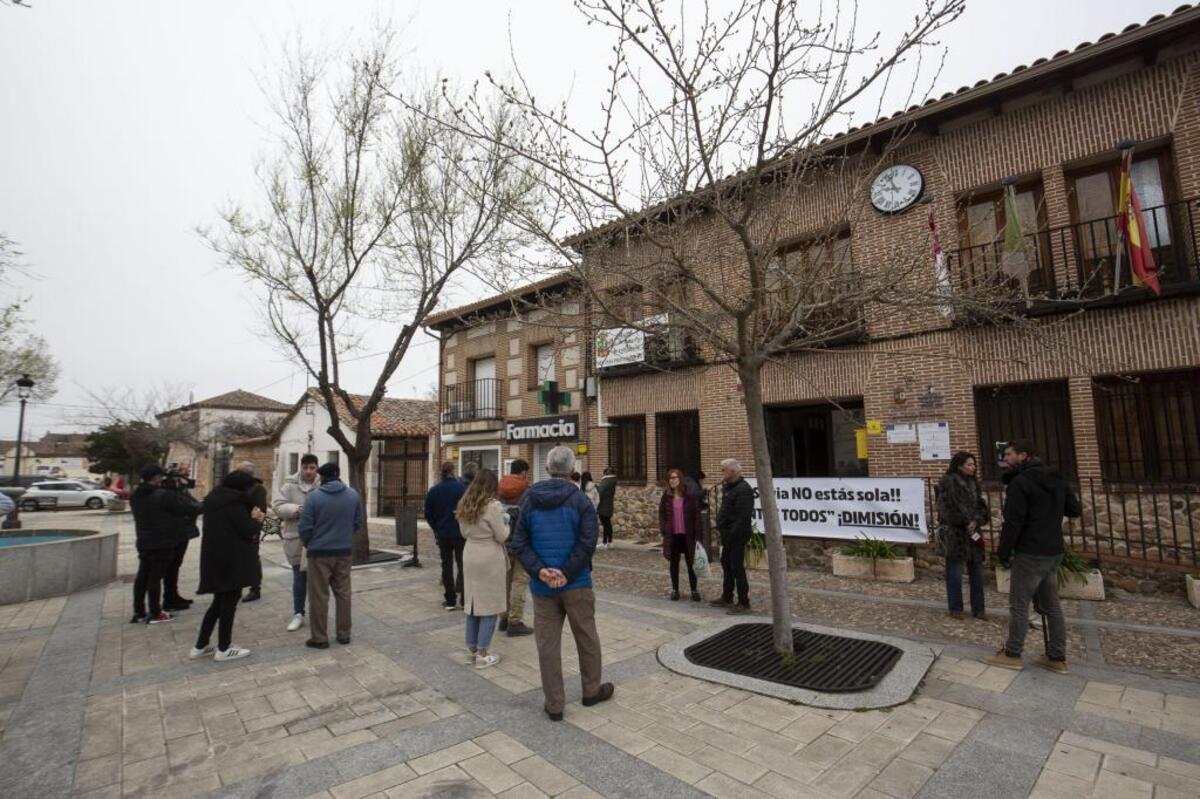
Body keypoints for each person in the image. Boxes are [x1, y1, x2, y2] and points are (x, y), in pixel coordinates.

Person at [510, 445, 613, 722]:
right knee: (587, 637)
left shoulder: (529, 499)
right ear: (571, 470)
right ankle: (591, 690)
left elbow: (519, 542)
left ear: (547, 469)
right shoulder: (581, 501)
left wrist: (540, 571)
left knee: (547, 646)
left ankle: (554, 703)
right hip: (577, 582)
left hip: (543, 587)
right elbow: (588, 541)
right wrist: (567, 571)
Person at [983, 439, 1081, 674]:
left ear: (1024, 456)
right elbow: (1073, 510)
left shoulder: (1021, 482)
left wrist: (1003, 553)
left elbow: (1013, 522)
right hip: (1054, 550)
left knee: (1019, 605)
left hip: (1030, 551)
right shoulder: (1057, 478)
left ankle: (1012, 653)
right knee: (1052, 606)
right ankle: (1057, 657)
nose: (1005, 459)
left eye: (1009, 455)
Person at [190, 470, 263, 662]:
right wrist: (257, 519)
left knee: (218, 603)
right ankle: (224, 647)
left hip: (215, 557)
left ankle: (200, 645)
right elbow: (246, 530)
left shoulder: (214, 500)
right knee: (228, 603)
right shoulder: (234, 503)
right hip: (232, 560)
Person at [299, 462, 363, 649]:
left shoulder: (313, 498)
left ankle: (319, 638)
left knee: (319, 596)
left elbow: (305, 526)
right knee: (343, 594)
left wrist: (310, 543)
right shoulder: (352, 495)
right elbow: (358, 522)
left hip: (319, 553)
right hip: (343, 551)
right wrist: (345, 536)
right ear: (338, 474)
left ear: (322, 477)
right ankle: (344, 634)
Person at [130, 464, 201, 624]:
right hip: (162, 541)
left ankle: (139, 611)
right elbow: (187, 508)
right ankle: (155, 612)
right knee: (155, 577)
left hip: (144, 539)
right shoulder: (163, 495)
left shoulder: (135, 494)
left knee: (143, 575)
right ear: (156, 477)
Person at [457, 469, 509, 669]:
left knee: (472, 603)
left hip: (470, 553)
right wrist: (508, 522)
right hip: (489, 555)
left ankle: (471, 647)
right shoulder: (493, 506)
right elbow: (502, 535)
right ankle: (483, 652)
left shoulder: (465, 503)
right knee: (489, 605)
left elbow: (463, 532)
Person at [936, 452, 990, 620]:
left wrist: (976, 521)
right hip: (955, 534)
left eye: (974, 465)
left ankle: (979, 608)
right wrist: (963, 522)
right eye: (969, 464)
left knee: (978, 573)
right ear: (960, 465)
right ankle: (956, 608)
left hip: (973, 534)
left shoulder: (974, 484)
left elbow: (981, 507)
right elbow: (944, 509)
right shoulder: (947, 483)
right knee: (954, 573)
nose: (973, 468)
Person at [273, 454, 321, 632]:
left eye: (312, 468)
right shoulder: (289, 485)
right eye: (305, 467)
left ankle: (318, 613)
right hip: (295, 538)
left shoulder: (322, 484)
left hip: (317, 539)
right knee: (299, 579)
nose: (308, 471)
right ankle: (298, 613)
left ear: (317, 468)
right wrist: (294, 509)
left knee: (318, 580)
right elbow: (277, 506)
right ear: (300, 467)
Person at [710, 458, 754, 614]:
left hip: (736, 536)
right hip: (727, 535)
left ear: (733, 472)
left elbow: (742, 518)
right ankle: (727, 596)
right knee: (726, 564)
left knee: (736, 567)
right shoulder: (729, 488)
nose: (721, 473)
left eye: (724, 470)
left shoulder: (743, 490)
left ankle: (743, 602)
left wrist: (730, 535)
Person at [498, 459, 534, 637]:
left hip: (503, 541)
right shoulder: (527, 490)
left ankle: (503, 617)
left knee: (505, 580)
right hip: (521, 543)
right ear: (523, 472)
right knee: (520, 581)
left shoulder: (499, 488)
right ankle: (515, 621)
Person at [426, 462, 468, 610]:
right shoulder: (462, 489)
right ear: (453, 472)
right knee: (463, 566)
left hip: (443, 533)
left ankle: (450, 600)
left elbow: (428, 514)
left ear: (441, 473)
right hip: (460, 533)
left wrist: (436, 528)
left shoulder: (434, 491)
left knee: (446, 566)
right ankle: (465, 599)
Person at [160, 463, 201, 612]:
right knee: (171, 566)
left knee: (175, 565)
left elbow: (193, 503)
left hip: (182, 531)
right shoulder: (172, 491)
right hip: (175, 531)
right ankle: (169, 599)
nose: (188, 475)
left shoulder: (181, 489)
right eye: (185, 472)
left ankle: (173, 595)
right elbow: (187, 506)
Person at [659, 468, 703, 602]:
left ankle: (694, 590)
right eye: (670, 478)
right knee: (674, 563)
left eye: (674, 478)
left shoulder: (689, 496)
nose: (672, 481)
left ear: (680, 479)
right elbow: (661, 514)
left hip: (688, 535)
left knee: (691, 564)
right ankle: (675, 589)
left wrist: (698, 535)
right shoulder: (666, 496)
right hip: (673, 535)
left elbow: (697, 516)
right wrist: (664, 529)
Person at [234, 461, 269, 603]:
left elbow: (260, 511)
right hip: (236, 529)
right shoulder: (237, 487)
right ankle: (236, 587)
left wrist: (254, 529)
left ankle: (255, 588)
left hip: (250, 529)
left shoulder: (257, 489)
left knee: (252, 559)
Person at [595, 467, 617, 550]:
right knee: (608, 524)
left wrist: (596, 486)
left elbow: (600, 492)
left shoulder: (606, 481)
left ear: (606, 473)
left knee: (605, 524)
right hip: (609, 505)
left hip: (603, 506)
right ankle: (610, 542)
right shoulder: (613, 481)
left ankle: (604, 543)